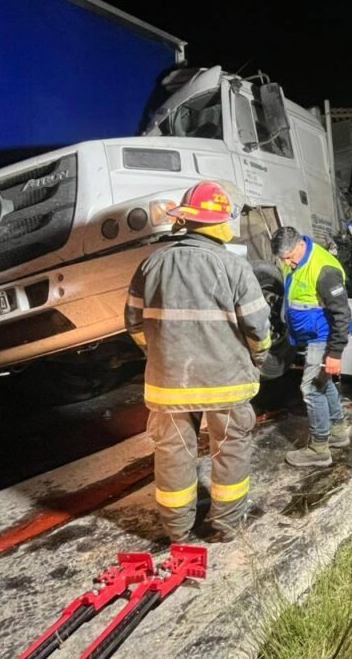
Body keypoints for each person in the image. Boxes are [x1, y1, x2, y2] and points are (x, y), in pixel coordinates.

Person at [125, 181, 272, 543]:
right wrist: (259, 358)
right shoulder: (233, 267)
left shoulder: (151, 265)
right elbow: (258, 328)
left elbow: (133, 323)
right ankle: (225, 527)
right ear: (218, 223)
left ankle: (176, 530)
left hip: (169, 383)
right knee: (229, 450)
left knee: (173, 452)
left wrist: (158, 354)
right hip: (227, 381)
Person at [271, 226, 352, 467]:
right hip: (312, 333)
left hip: (325, 335)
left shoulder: (324, 270)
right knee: (322, 383)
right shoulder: (294, 259)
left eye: (289, 257)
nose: (288, 263)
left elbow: (342, 314)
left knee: (310, 389)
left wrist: (335, 353)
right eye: (283, 259)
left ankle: (319, 449)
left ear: (300, 245)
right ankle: (338, 432)